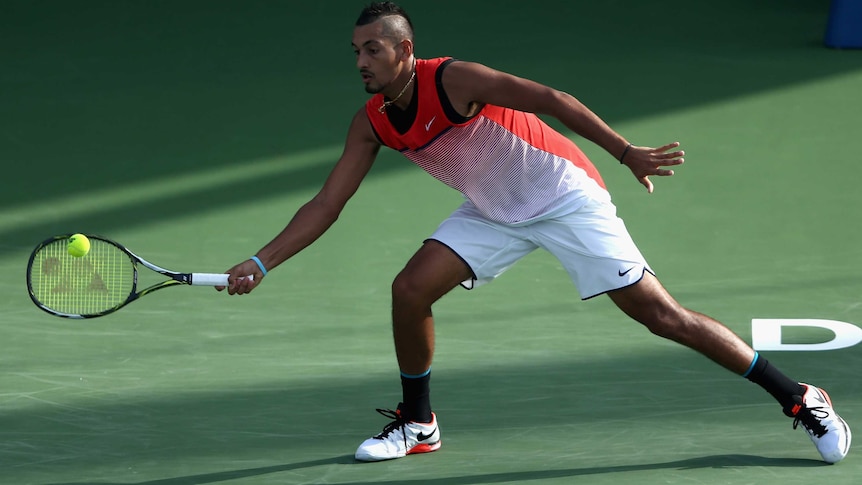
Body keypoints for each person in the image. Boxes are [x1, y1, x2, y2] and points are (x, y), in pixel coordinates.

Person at [219, 1, 851, 464]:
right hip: (493, 209)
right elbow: (328, 202)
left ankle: (798, 396)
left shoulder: (452, 79)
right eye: (355, 51)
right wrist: (262, 260)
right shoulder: (372, 122)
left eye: (372, 50)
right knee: (409, 290)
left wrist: (624, 150)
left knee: (662, 316)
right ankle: (418, 423)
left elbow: (549, 97)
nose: (360, 61)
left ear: (405, 51)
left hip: (562, 194)